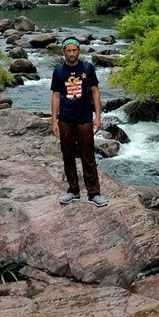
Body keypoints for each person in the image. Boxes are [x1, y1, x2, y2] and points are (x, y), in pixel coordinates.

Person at [48, 38, 105, 206]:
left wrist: (98, 117)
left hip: (84, 118)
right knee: (68, 155)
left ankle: (94, 193)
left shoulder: (87, 68)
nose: (72, 53)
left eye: (74, 50)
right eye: (68, 50)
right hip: (65, 118)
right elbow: (56, 95)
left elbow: (95, 92)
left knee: (88, 156)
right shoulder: (58, 71)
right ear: (63, 52)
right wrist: (54, 120)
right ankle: (73, 191)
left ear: (79, 51)